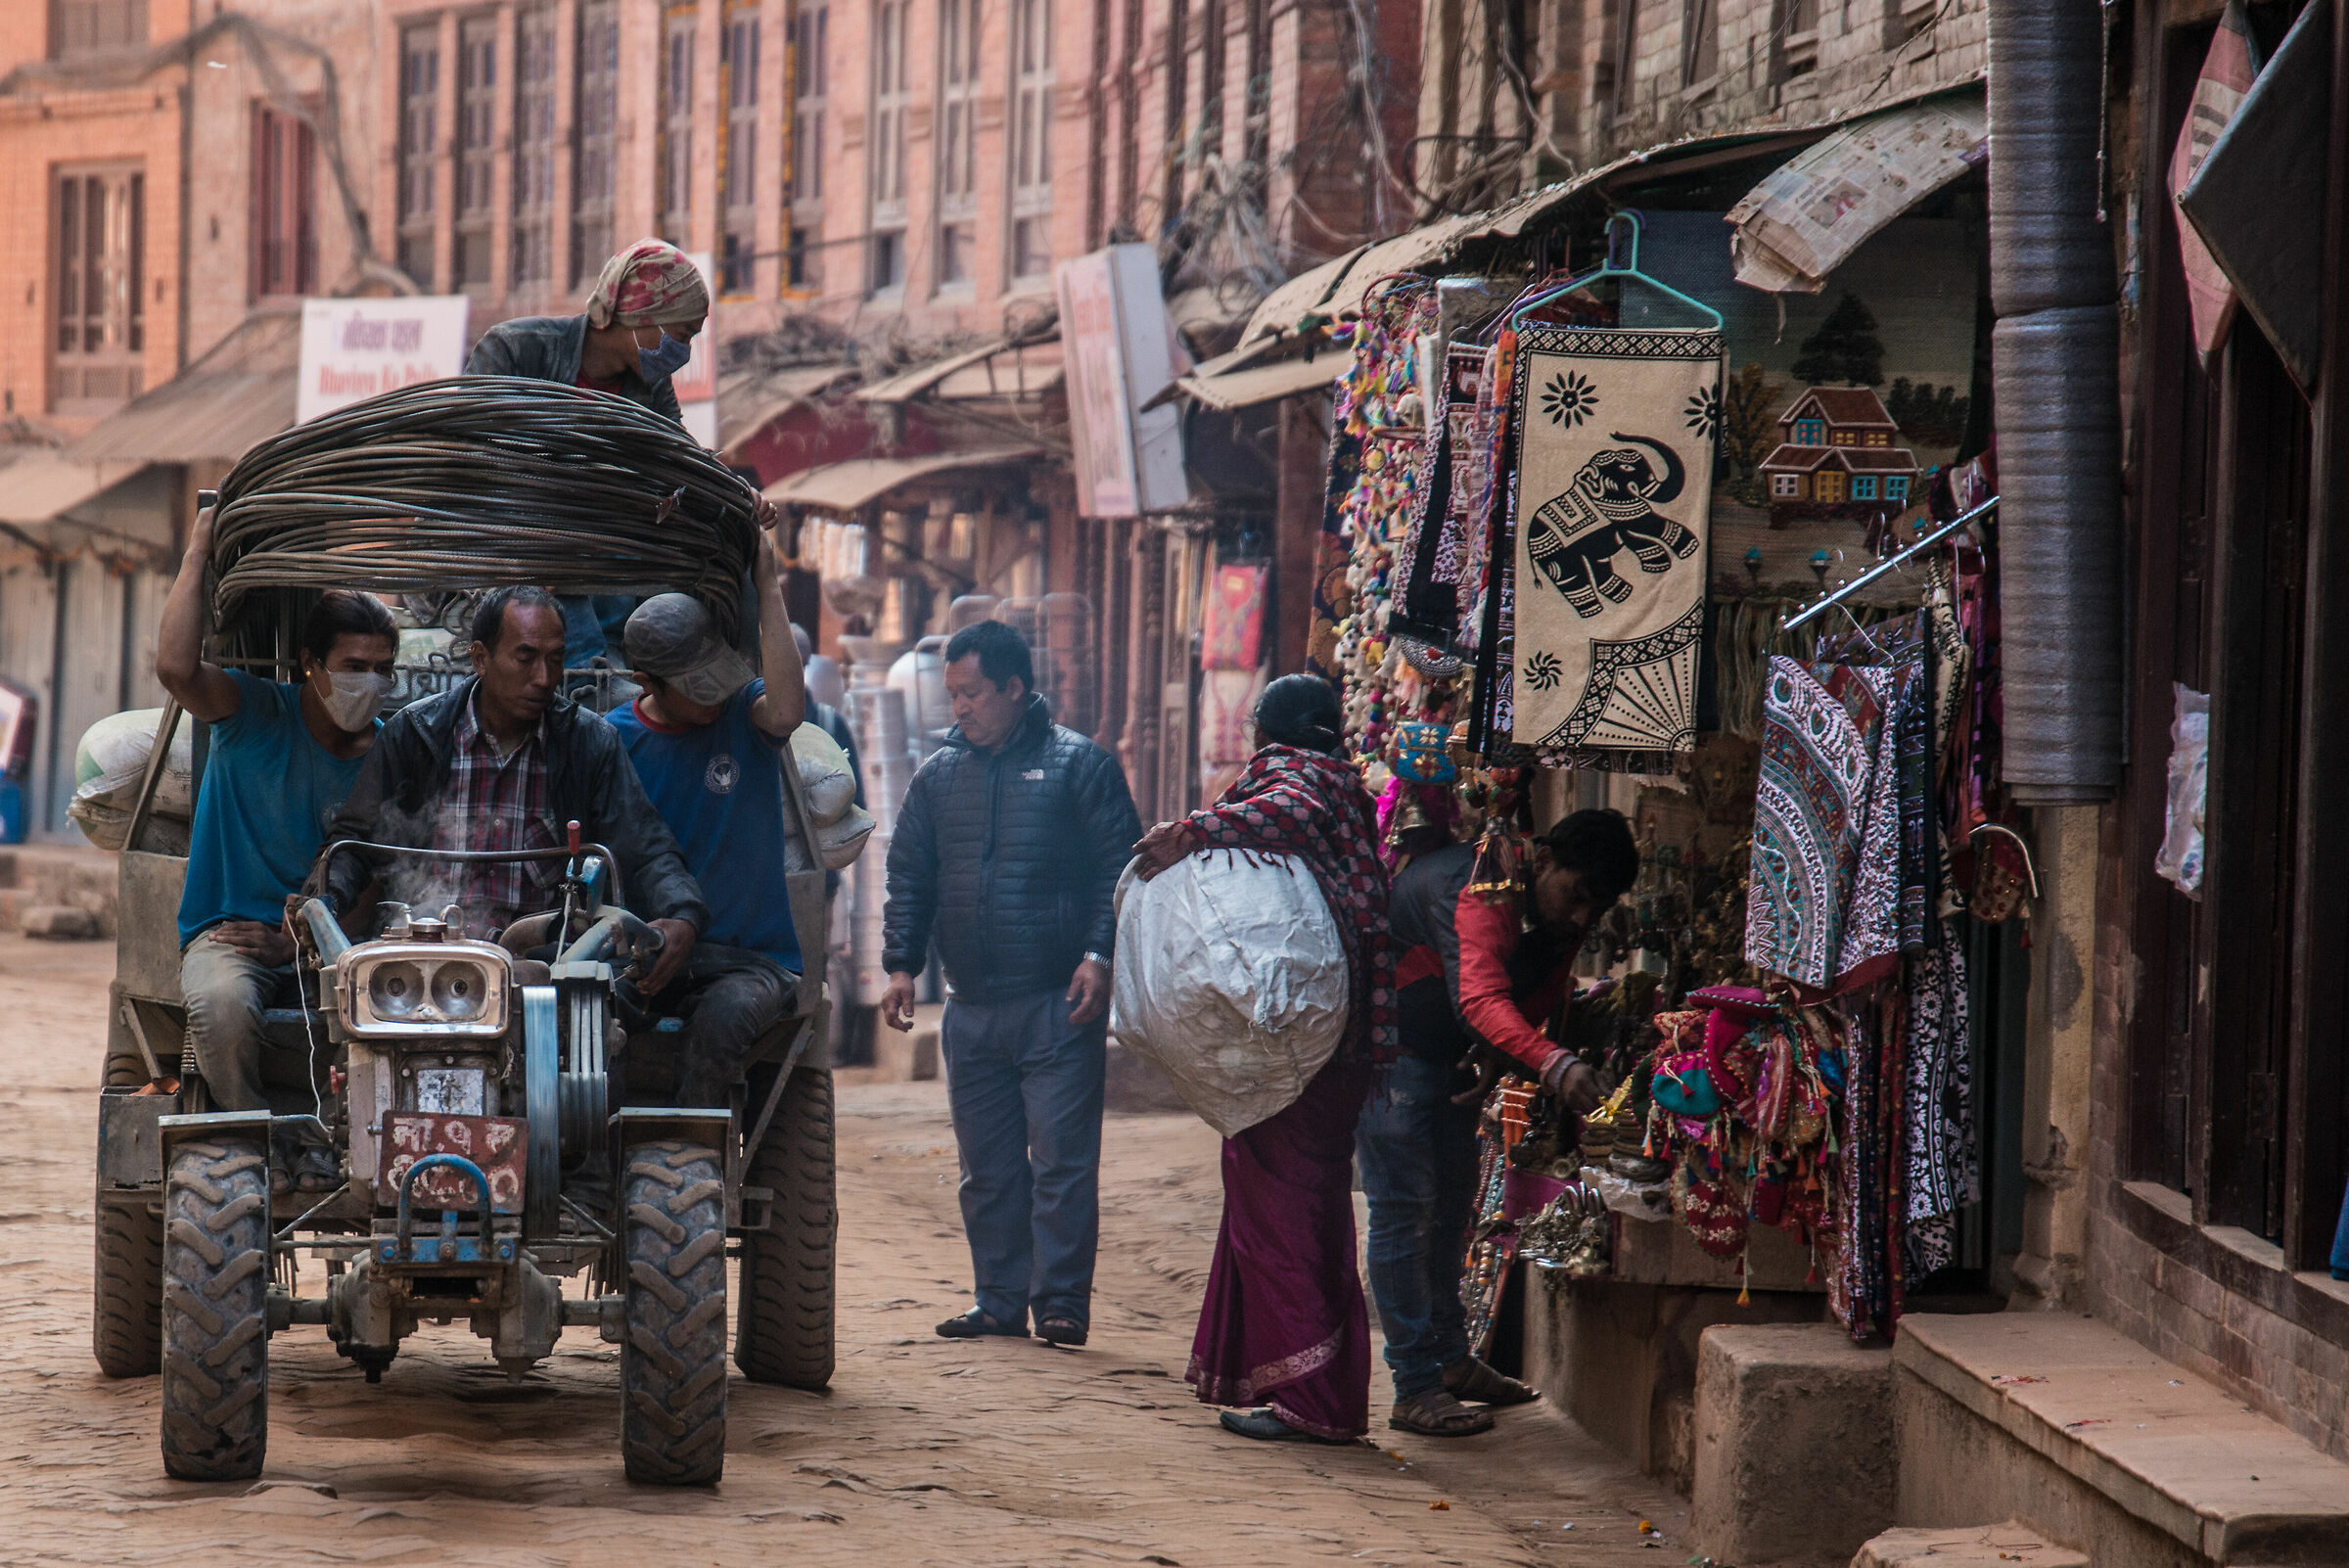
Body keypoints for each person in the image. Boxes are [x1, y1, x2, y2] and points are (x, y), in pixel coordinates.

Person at [1130, 673, 1394, 1445]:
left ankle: (1312, 1402)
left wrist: (1195, 831)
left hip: (1301, 1057)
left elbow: (1287, 808)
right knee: (1289, 1210)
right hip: (1328, 1049)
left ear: (1271, 733)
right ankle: (1286, 1384)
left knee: (1289, 1217)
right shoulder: (1345, 785)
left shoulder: (1301, 779)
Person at [881, 620, 1140, 1350]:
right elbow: (909, 876)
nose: (958, 708)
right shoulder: (938, 776)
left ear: (1014, 690)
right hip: (970, 1004)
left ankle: (1059, 1303)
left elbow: (1117, 872)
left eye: (972, 694)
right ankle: (998, 1300)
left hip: (1058, 1002)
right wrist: (902, 964)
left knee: (1061, 1161)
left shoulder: (1079, 766)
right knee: (988, 1170)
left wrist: (1100, 952)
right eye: (951, 695)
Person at [1361, 807, 1639, 1436]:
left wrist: (1498, 1053)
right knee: (1406, 1212)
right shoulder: (1478, 887)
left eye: (1594, 907)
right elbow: (1483, 998)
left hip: (1442, 1056)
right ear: (1544, 860)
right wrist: (1551, 1063)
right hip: (1390, 1052)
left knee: (1452, 1207)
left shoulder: (1557, 910)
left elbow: (1536, 991)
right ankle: (1414, 1385)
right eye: (1576, 895)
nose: (1580, 918)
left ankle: (1449, 1363)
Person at [158, 509, 397, 1193]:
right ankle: (256, 1150)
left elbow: (383, 873)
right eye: (354, 667)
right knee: (222, 1008)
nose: (370, 683)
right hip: (230, 938)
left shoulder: (390, 750)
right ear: (310, 665)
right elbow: (175, 668)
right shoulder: (254, 712)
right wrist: (199, 546)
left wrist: (300, 946)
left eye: (383, 669)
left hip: (346, 947)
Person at [316, 587, 707, 995]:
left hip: (544, 968)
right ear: (481, 658)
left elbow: (645, 847)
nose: (544, 677)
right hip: (422, 964)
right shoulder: (415, 733)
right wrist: (327, 899)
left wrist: (681, 913)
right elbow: (354, 840)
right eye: (526, 658)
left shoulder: (590, 743)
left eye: (555, 659)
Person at [604, 520, 809, 1108]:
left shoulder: (745, 714)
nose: (714, 696)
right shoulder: (614, 742)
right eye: (696, 687)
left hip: (750, 962)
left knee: (722, 1023)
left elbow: (790, 708)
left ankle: (695, 1173)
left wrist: (766, 581)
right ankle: (595, 1169)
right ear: (646, 681)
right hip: (648, 956)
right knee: (585, 1024)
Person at [465, 238, 717, 670]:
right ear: (642, 316)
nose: (684, 354)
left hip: (607, 559)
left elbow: (680, 460)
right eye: (681, 336)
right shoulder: (517, 348)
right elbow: (470, 459)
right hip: (519, 549)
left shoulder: (649, 387)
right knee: (587, 655)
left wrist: (729, 489)